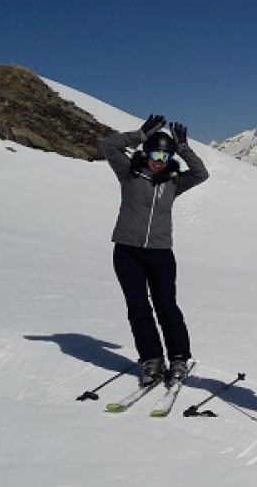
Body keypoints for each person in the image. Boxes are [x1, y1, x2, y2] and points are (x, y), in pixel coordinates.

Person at [98, 114, 209, 387]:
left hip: (160, 253)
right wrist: (138, 135)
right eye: (154, 152)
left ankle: (179, 358)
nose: (158, 159)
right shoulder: (128, 173)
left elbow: (200, 173)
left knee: (166, 306)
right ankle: (151, 359)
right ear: (146, 151)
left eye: (164, 154)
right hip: (127, 252)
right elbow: (108, 145)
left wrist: (183, 147)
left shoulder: (174, 181)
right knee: (138, 308)